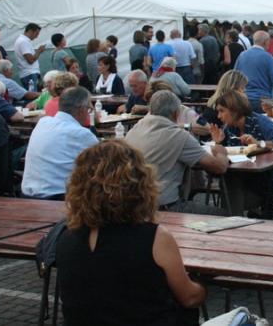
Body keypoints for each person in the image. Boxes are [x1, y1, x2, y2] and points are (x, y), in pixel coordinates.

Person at [57, 140, 205, 326]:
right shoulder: (155, 238)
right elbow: (190, 298)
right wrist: (201, 286)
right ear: (140, 186)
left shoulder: (66, 237)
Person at [125, 90, 229, 211]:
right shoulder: (178, 136)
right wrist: (220, 149)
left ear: (151, 109)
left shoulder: (134, 130)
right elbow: (220, 167)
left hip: (133, 206)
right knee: (226, 216)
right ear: (175, 114)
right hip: (164, 206)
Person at [21, 87, 99, 200]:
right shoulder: (81, 134)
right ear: (82, 109)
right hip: (58, 197)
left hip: (27, 194)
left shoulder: (43, 123)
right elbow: (104, 162)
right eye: (89, 109)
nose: (89, 113)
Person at [235, 30, 273, 110]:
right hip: (263, 100)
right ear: (265, 42)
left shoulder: (242, 55)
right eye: (269, 41)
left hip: (243, 98)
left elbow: (235, 76)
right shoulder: (268, 57)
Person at [14, 23, 46, 89]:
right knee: (33, 96)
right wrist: (39, 51)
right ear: (31, 31)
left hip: (29, 74)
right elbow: (30, 60)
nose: (37, 36)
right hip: (30, 74)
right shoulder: (23, 42)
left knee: (35, 95)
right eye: (36, 34)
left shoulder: (23, 41)